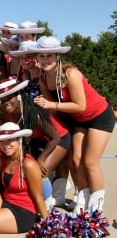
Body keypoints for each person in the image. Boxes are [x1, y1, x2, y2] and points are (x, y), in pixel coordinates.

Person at [32, 36, 115, 212]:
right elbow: (53, 109)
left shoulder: (71, 74)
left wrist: (51, 104)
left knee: (90, 162)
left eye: (49, 56)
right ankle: (83, 201)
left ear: (57, 56)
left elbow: (80, 105)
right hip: (79, 121)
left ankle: (95, 206)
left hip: (100, 116)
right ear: (37, 58)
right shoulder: (43, 79)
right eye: (41, 56)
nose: (45, 60)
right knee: (75, 160)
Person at [0, 79, 70, 209]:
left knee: (39, 171)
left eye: (9, 98)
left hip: (59, 138)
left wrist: (41, 159)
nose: (6, 102)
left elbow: (55, 137)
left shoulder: (33, 113)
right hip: (39, 141)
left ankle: (47, 206)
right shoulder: (9, 114)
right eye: (3, 100)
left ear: (18, 96)